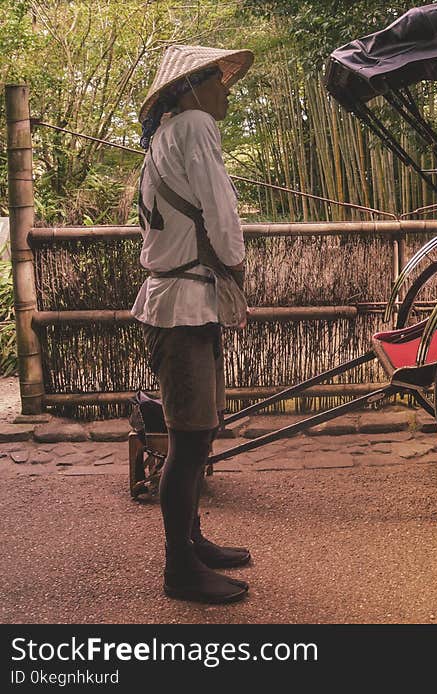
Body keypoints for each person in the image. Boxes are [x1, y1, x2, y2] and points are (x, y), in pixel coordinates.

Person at [132, 45, 254, 604]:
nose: (226, 90)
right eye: (217, 81)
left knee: (198, 433)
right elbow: (220, 212)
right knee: (187, 441)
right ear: (190, 89)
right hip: (183, 305)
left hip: (184, 300)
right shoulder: (196, 125)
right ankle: (178, 569)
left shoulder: (167, 135)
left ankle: (192, 537)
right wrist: (237, 261)